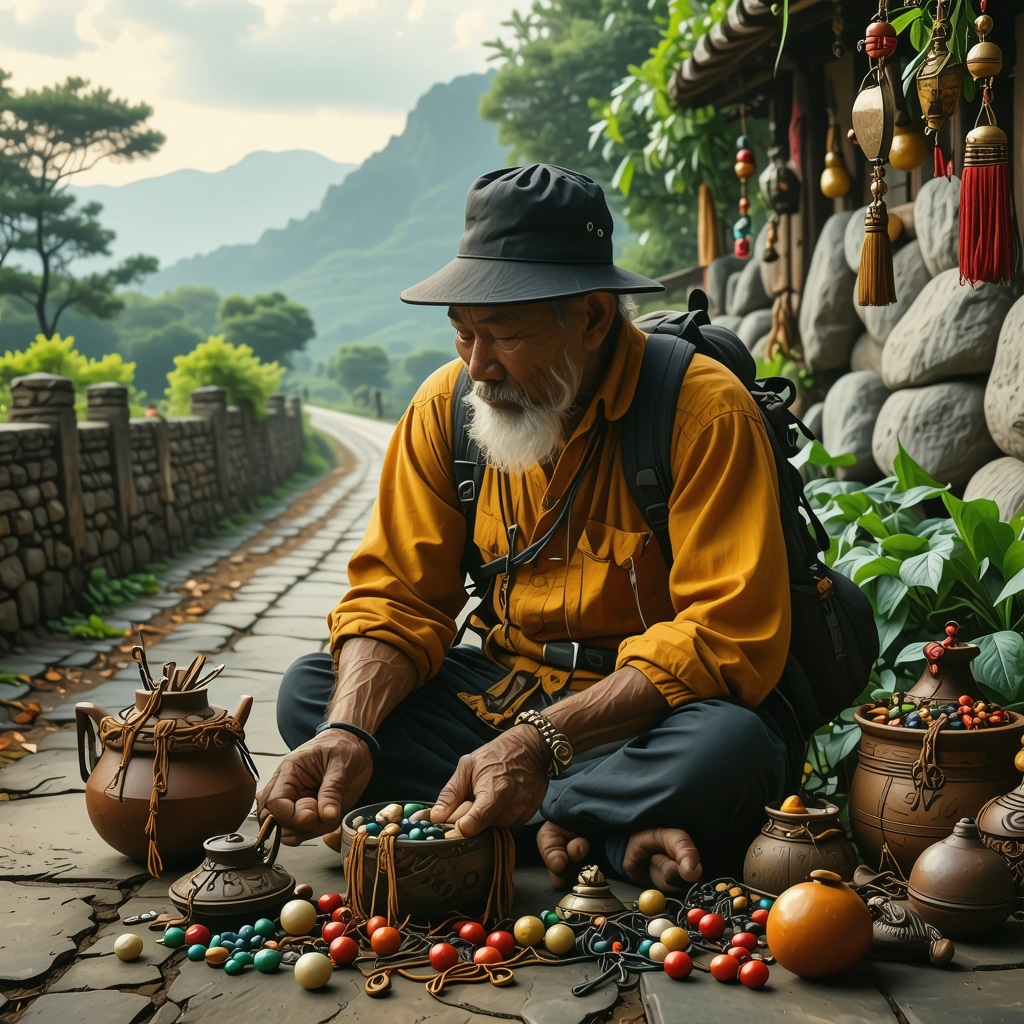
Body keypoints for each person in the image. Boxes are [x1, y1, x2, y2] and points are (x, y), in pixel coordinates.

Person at [258, 164, 803, 890]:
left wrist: (543, 743)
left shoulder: (702, 413)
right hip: (501, 700)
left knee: (730, 747)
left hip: (637, 719)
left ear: (594, 317)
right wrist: (350, 730)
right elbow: (395, 600)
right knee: (316, 691)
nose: (479, 366)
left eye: (504, 334)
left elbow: (724, 637)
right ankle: (590, 827)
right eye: (462, 335)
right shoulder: (444, 409)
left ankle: (516, 815)